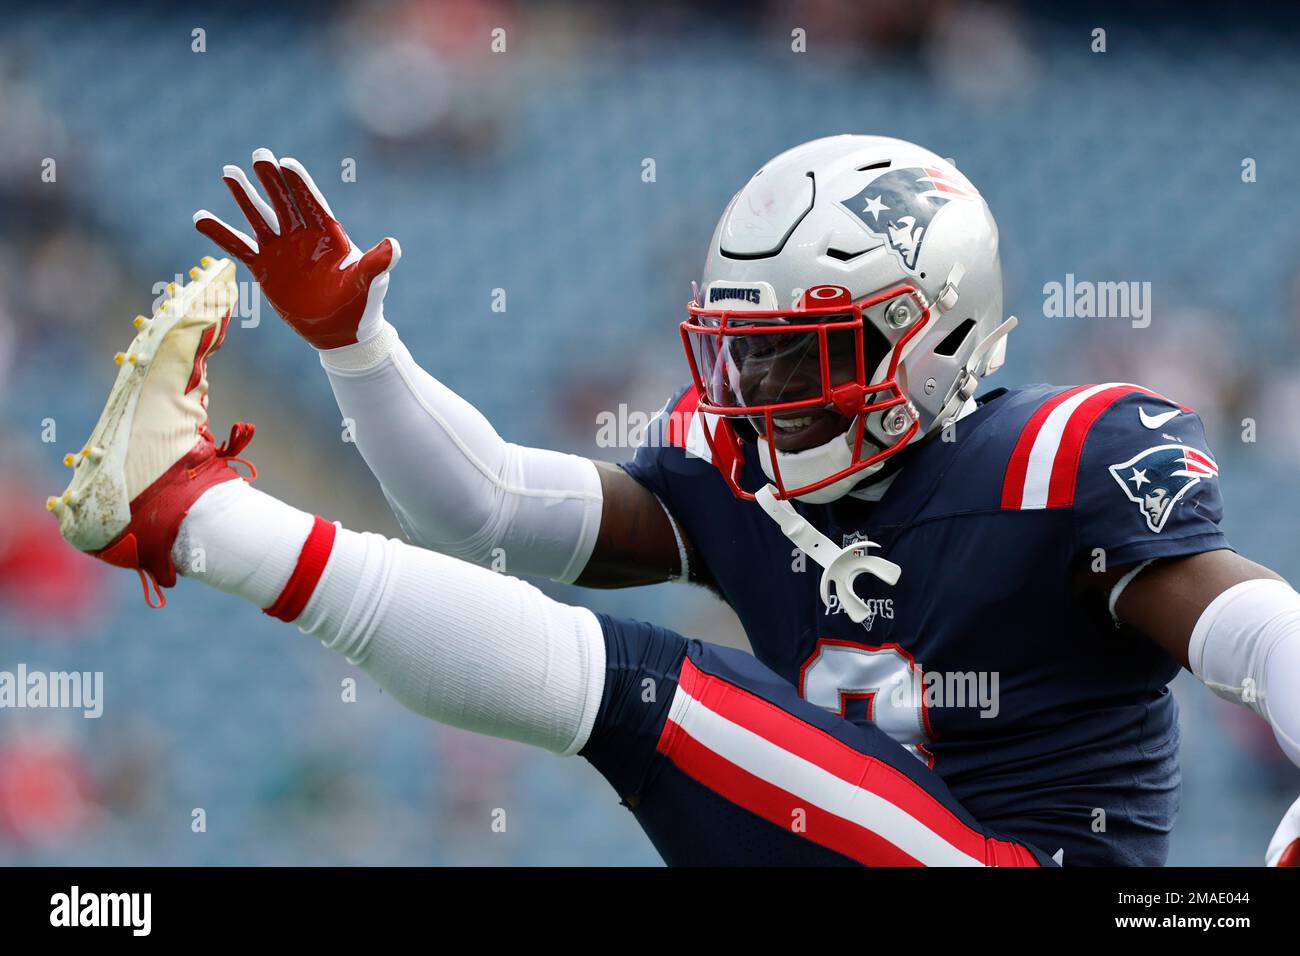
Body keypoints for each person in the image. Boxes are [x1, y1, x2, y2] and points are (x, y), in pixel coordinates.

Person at [49, 137, 1300, 866]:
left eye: (802, 352)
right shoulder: (745, 469)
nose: (758, 390)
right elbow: (491, 504)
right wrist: (358, 349)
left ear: (935, 336)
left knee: (641, 682)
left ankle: (189, 514)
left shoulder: (1060, 455)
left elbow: (1257, 632)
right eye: (744, 352)